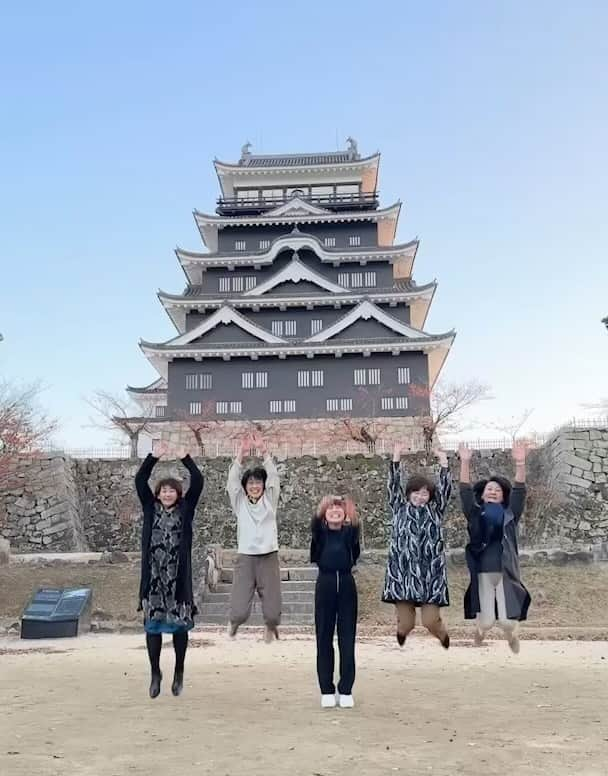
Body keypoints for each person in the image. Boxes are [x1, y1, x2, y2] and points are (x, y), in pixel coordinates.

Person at [135, 441, 204, 699]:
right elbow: (140, 479)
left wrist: (184, 456)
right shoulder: (149, 508)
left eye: (171, 491)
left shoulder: (186, 510)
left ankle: (179, 671)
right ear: (158, 494)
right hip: (153, 579)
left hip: (178, 580)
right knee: (152, 627)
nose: (167, 494)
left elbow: (197, 480)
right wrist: (153, 457)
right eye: (163, 490)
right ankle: (155, 672)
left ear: (178, 494)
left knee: (179, 628)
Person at [458, 442, 531, 652]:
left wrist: (520, 462)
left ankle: (511, 635)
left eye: (497, 490)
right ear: (482, 495)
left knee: (508, 621)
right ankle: (480, 631)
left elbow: (519, 490)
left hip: (506, 573)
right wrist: (464, 461)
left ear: (503, 496)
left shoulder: (510, 514)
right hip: (482, 573)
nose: (492, 491)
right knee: (487, 621)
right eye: (489, 489)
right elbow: (464, 491)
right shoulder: (474, 514)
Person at [382, 442, 452, 649]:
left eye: (425, 493)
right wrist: (396, 457)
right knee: (406, 623)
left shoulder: (435, 510)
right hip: (404, 575)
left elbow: (445, 489)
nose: (420, 497)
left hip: (430, 575)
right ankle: (402, 632)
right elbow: (392, 485)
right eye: (416, 492)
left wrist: (443, 462)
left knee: (430, 620)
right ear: (409, 493)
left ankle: (442, 635)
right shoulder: (398, 508)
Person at [226, 432, 281, 643]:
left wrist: (264, 452)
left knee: (273, 608)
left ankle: (270, 626)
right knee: (239, 607)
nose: (255, 486)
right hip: (246, 557)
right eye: (250, 483)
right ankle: (234, 623)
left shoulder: (270, 501)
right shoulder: (239, 503)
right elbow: (232, 480)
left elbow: (274, 477)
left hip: (268, 555)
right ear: (245, 487)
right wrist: (241, 454)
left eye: (258, 483)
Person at [311, 495, 360, 709]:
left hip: (347, 584)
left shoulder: (351, 533)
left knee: (347, 638)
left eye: (338, 509)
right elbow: (316, 519)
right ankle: (327, 689)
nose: (334, 511)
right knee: (324, 637)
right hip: (325, 583)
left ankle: (346, 689)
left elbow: (356, 522)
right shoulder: (319, 533)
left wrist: (346, 505)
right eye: (330, 509)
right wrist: (327, 502)